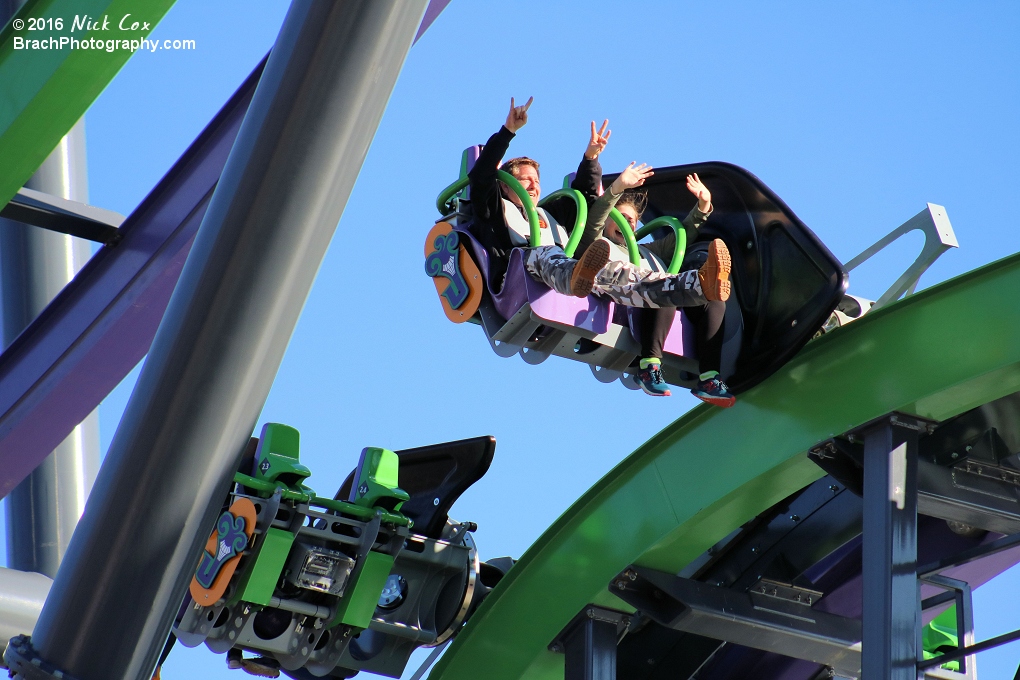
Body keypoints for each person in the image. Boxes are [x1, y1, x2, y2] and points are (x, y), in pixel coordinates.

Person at [467, 97, 731, 311]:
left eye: (537, 180)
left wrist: (591, 157)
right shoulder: (495, 210)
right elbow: (480, 177)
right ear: (504, 185)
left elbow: (585, 194)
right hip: (517, 278)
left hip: (576, 274)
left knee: (623, 273)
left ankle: (699, 285)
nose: (534, 186)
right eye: (525, 181)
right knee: (542, 253)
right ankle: (573, 275)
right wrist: (508, 132)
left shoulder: (550, 212)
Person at [574, 168, 735, 407]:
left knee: (712, 300)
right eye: (620, 217)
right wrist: (617, 187)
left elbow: (682, 235)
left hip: (653, 298)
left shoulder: (644, 252)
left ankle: (710, 380)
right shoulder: (597, 244)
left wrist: (703, 206)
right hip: (621, 296)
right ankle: (649, 367)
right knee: (662, 285)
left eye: (631, 220)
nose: (626, 222)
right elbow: (595, 218)